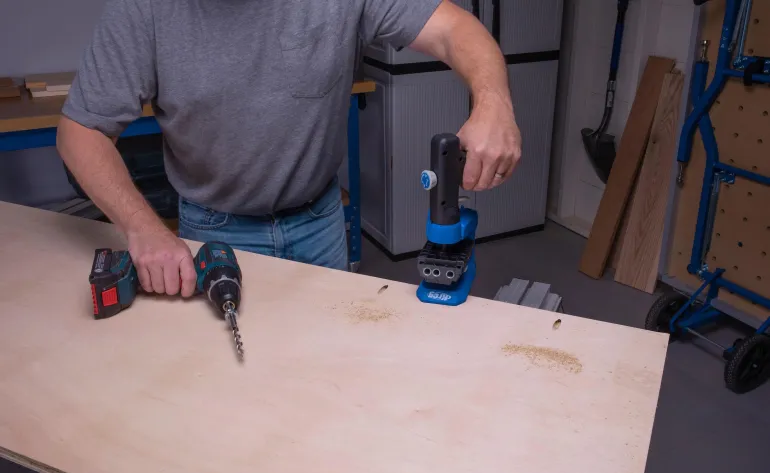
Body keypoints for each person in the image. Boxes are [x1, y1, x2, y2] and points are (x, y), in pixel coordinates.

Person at [57, 0, 522, 298]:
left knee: (327, 370)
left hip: (320, 224)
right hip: (214, 233)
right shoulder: (143, 10)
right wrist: (144, 230)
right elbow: (81, 130)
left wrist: (494, 103)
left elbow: (452, 28)